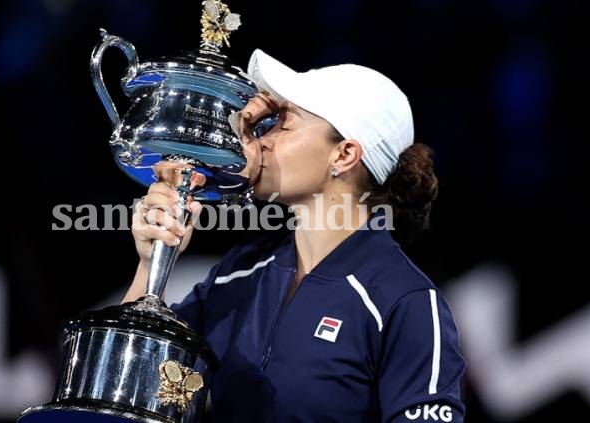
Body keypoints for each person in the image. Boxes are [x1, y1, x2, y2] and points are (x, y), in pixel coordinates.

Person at [123, 49, 467, 422]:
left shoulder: (404, 301)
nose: (261, 141)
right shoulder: (239, 272)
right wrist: (151, 262)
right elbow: (129, 388)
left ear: (344, 154)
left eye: (283, 126)